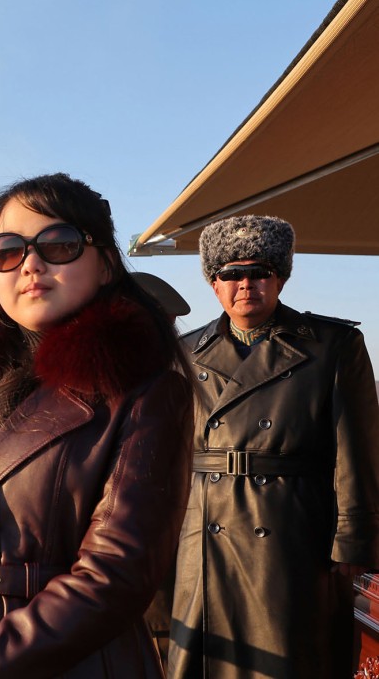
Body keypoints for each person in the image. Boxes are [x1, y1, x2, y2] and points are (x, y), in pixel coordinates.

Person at [0, 173, 194, 678]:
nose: (30, 263)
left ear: (107, 262)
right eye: (6, 250)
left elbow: (116, 575)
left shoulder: (144, 390)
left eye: (59, 244)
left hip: (78, 662)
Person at [168, 215, 379, 678]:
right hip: (201, 529)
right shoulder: (183, 353)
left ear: (281, 277)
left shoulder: (333, 345)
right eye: (230, 274)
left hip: (294, 530)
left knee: (290, 657)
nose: (246, 284)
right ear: (213, 283)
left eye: (260, 271)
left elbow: (359, 453)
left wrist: (353, 541)